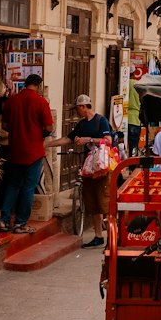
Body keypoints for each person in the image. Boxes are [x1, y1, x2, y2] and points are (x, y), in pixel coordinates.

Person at [0, 74, 54, 234]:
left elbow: (5, 126)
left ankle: (4, 220)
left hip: (15, 150)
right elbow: (49, 127)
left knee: (13, 185)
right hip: (33, 152)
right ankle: (20, 223)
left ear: (25, 84)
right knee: (28, 187)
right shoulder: (41, 102)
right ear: (38, 86)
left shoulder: (11, 101)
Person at [71, 93, 113, 247]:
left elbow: (108, 141)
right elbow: (69, 139)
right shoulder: (82, 125)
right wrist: (47, 145)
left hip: (101, 167)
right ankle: (98, 236)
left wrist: (88, 139)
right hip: (88, 168)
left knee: (104, 202)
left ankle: (112, 237)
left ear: (83, 107)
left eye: (77, 109)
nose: (76, 112)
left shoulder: (101, 121)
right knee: (94, 203)